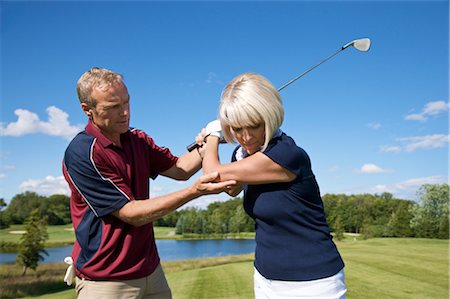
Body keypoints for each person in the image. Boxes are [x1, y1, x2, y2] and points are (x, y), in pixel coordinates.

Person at [62, 67, 235, 299]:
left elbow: (180, 169)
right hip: (106, 280)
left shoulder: (137, 139)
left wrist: (211, 138)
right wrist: (195, 192)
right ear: (88, 110)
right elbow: (131, 213)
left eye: (127, 102)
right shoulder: (83, 152)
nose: (125, 112)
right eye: (113, 106)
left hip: (151, 271)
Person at [201, 72, 346, 298]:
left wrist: (211, 136)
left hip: (313, 283)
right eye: (237, 129)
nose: (246, 137)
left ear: (270, 117)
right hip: (266, 278)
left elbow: (212, 174)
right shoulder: (242, 155)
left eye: (254, 125)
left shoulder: (286, 154)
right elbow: (231, 188)